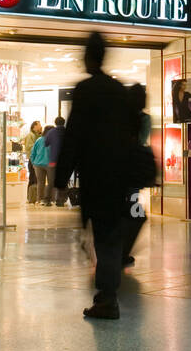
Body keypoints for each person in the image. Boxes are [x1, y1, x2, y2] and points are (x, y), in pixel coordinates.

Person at [54, 33, 140, 320]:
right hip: (116, 176)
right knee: (110, 236)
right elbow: (129, 136)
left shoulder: (85, 90)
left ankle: (107, 298)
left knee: (99, 235)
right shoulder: (119, 92)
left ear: (89, 57)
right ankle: (108, 294)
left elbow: (74, 135)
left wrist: (61, 178)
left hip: (94, 175)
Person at [121, 84, 151, 266]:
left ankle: (117, 251)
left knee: (124, 212)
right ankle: (122, 252)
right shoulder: (143, 118)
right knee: (136, 213)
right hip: (132, 174)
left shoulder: (117, 117)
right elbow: (141, 140)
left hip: (116, 173)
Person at [40, 116, 65, 205]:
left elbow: (46, 143)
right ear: (64, 122)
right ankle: (60, 201)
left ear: (55, 123)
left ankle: (47, 200)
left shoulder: (51, 132)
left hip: (53, 160)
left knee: (51, 181)